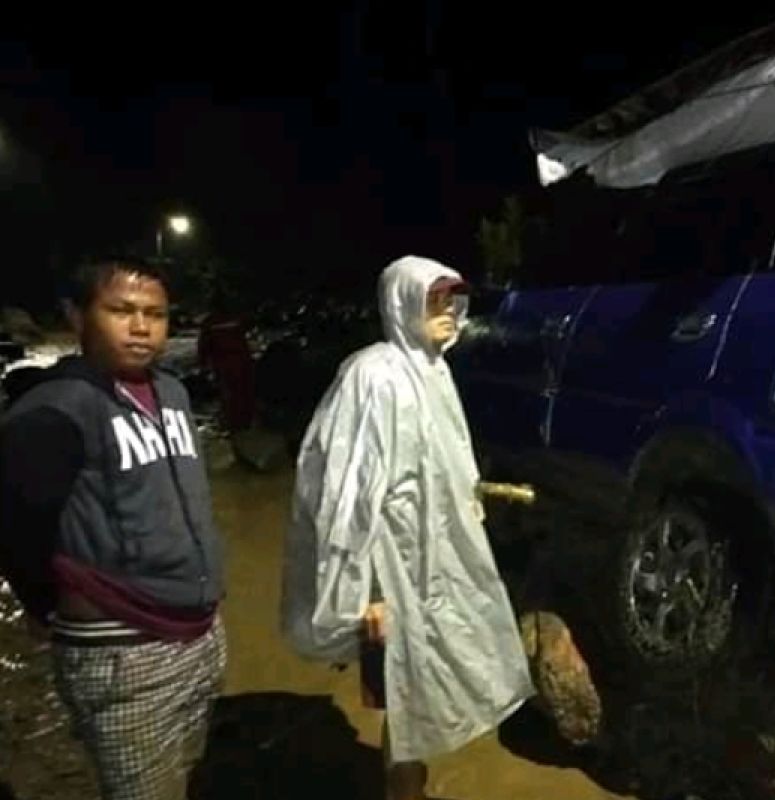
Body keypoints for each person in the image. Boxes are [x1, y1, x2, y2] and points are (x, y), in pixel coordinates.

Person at [281, 255, 534, 800]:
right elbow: (346, 493)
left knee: (430, 669)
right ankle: (402, 785)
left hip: (434, 556)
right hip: (388, 564)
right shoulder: (374, 376)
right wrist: (365, 589)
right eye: (433, 300)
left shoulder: (434, 370)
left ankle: (408, 775)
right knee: (398, 672)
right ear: (402, 303)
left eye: (451, 299)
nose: (447, 312)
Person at [0, 255, 227, 800]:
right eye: (121, 310)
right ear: (77, 316)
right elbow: (14, 525)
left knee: (187, 775)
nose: (142, 327)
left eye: (156, 313)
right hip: (122, 654)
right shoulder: (54, 411)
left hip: (200, 634)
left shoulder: (173, 392)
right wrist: (48, 604)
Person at [196, 286, 255, 432]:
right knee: (243, 391)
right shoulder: (235, 319)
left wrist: (203, 365)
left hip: (223, 363)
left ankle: (233, 422)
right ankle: (244, 420)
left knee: (228, 394)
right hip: (239, 361)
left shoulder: (210, 322)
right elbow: (244, 340)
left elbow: (204, 346)